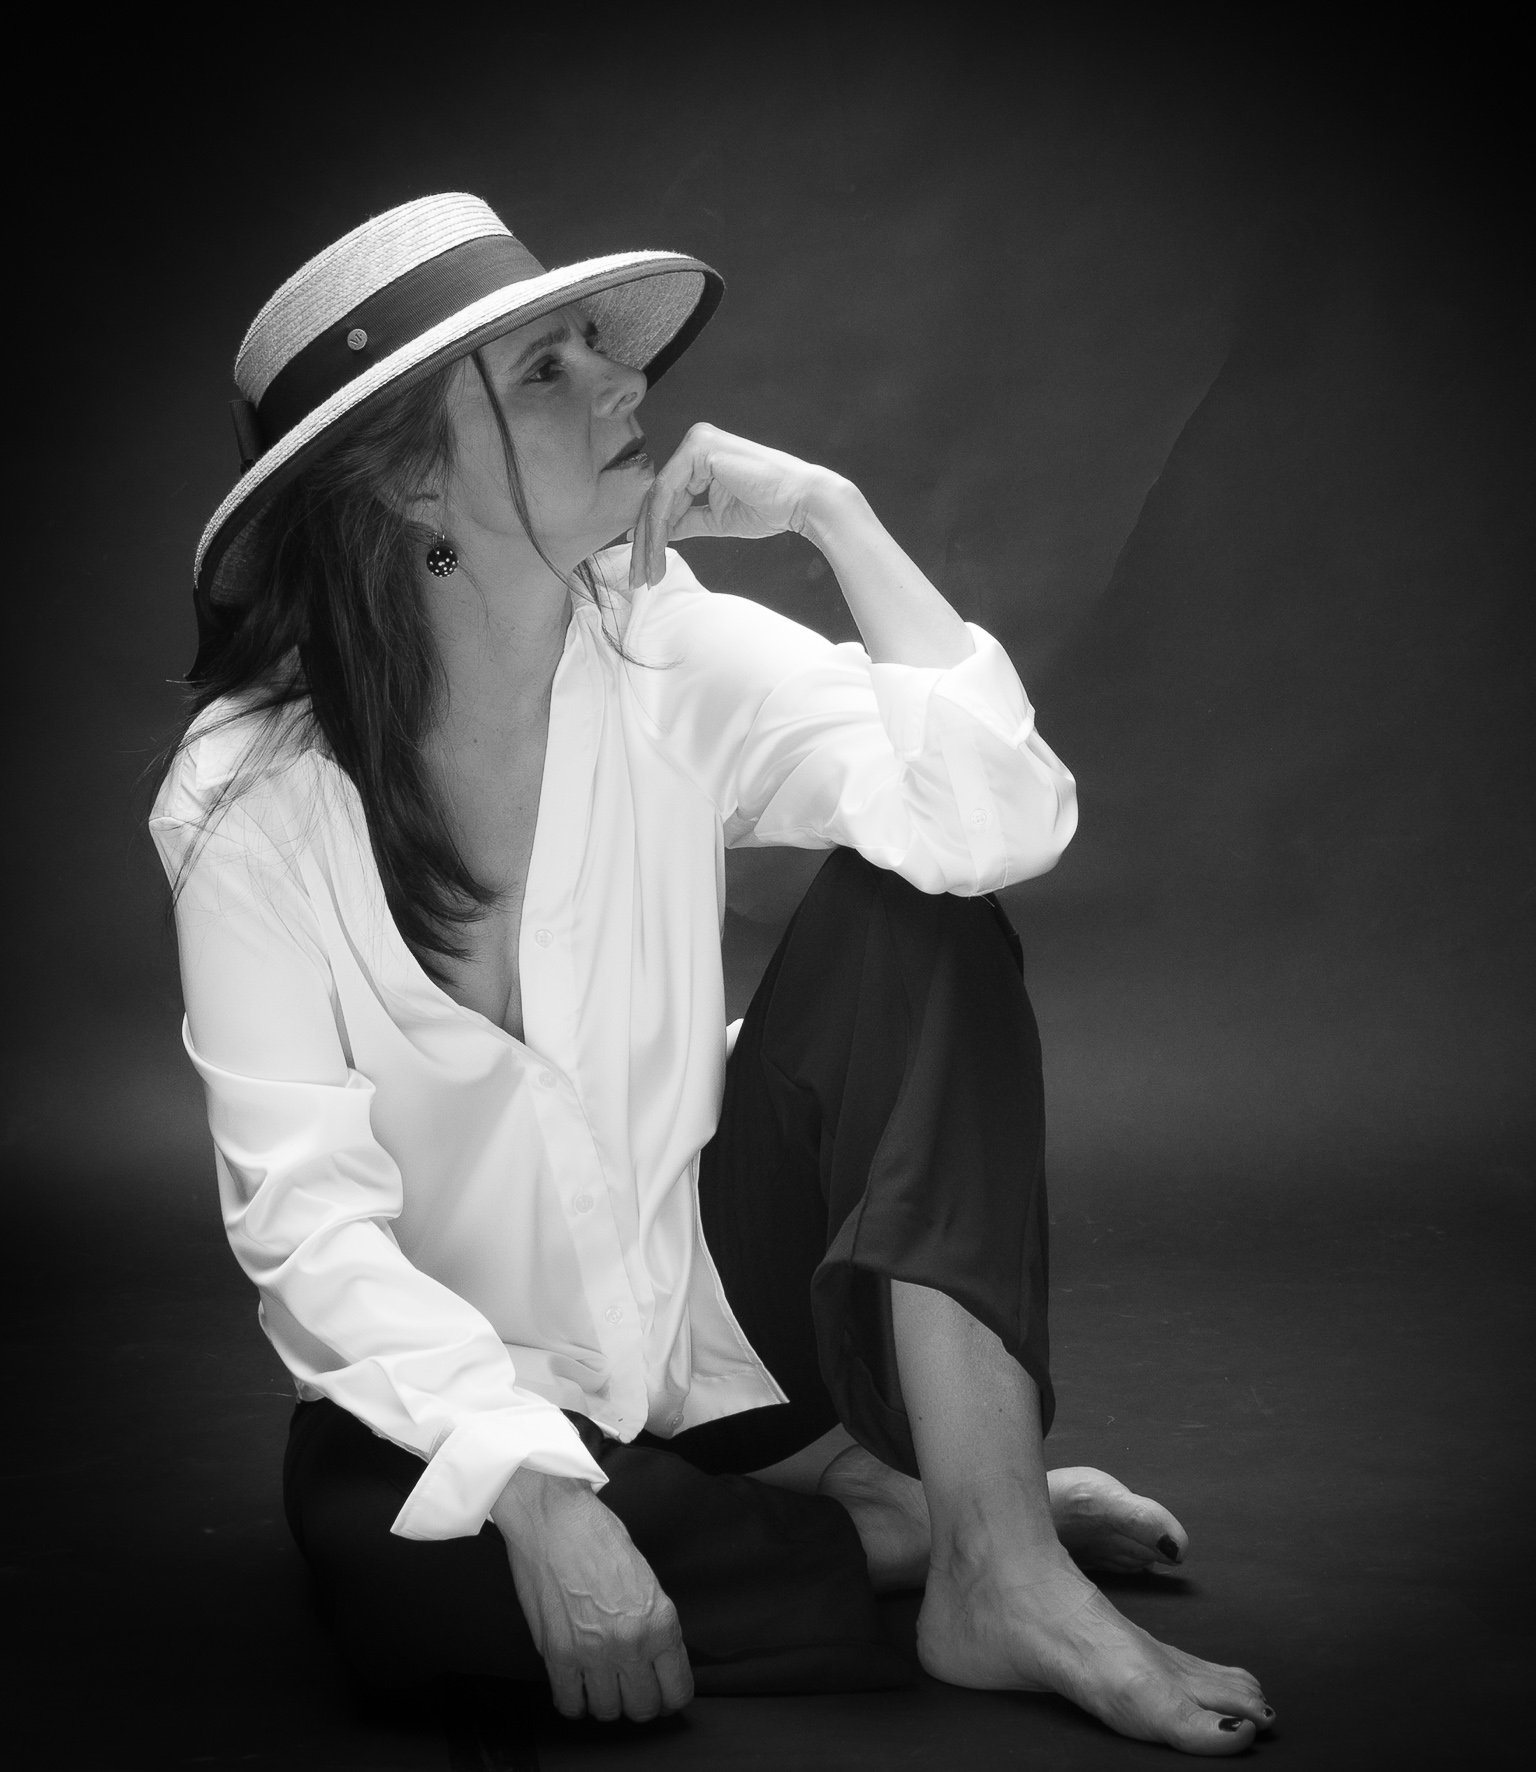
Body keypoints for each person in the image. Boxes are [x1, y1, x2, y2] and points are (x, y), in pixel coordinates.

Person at [151, 193, 1274, 1757]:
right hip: (488, 1374)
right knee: (412, 1600)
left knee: (922, 914)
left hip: (733, 1319)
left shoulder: (661, 650)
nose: (627, 382)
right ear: (406, 475)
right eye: (547, 370)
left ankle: (1002, 1565)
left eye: (599, 350)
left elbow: (993, 824)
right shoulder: (246, 806)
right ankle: (917, 1525)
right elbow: (308, 1223)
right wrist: (538, 1494)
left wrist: (834, 516)